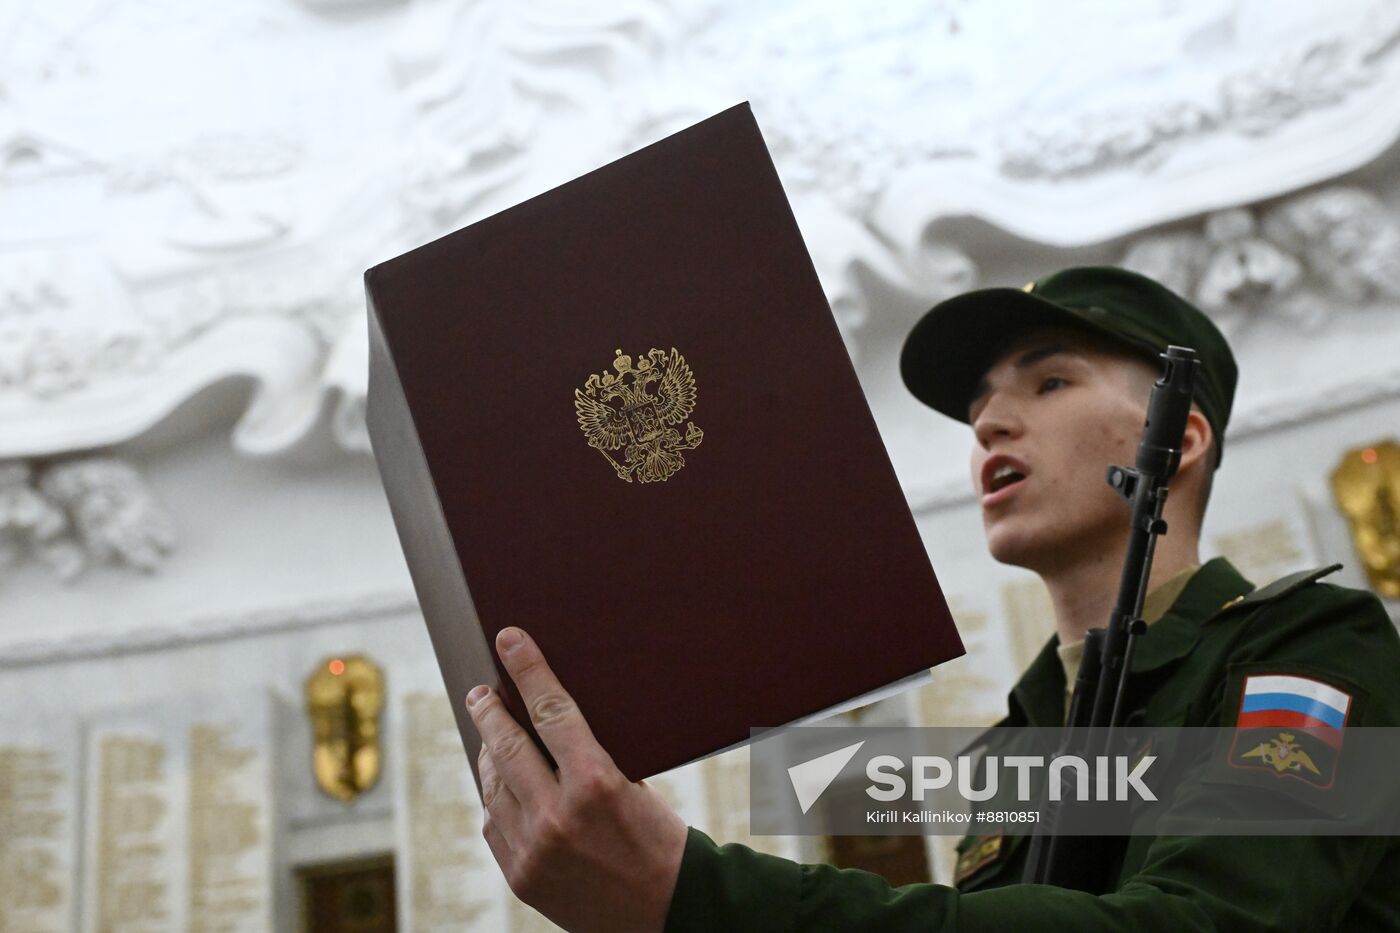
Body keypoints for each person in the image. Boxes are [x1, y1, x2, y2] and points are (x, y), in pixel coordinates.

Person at [463, 266, 1400, 932]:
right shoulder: (1015, 746)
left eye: (1051, 378)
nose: (988, 418)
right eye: (981, 402)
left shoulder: (1311, 652)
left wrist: (695, 895)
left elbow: (1203, 923)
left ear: (1180, 437)